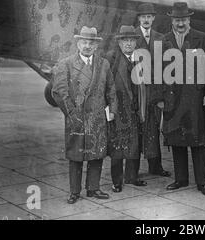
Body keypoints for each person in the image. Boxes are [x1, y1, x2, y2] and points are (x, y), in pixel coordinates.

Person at [52, 26, 117, 204]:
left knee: (97, 154)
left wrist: (112, 110)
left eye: (91, 43)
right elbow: (58, 91)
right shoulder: (65, 64)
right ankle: (74, 191)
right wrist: (71, 113)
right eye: (84, 42)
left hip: (97, 117)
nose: (87, 46)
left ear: (96, 46)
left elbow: (111, 89)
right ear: (78, 44)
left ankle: (93, 188)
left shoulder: (104, 64)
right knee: (76, 155)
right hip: (77, 118)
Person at [162, 2, 205, 196]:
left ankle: (202, 182)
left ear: (189, 19)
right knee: (177, 139)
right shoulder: (164, 40)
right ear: (172, 21)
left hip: (195, 98)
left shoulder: (202, 39)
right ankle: (181, 179)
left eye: (183, 19)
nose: (180, 23)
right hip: (173, 100)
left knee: (197, 140)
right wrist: (161, 98)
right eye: (177, 20)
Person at [106, 25, 149, 192]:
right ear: (119, 42)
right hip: (119, 109)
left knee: (135, 145)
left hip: (136, 109)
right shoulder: (111, 58)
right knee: (117, 147)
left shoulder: (140, 59)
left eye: (131, 40)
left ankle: (132, 176)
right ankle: (117, 181)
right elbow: (106, 85)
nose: (129, 44)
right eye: (125, 40)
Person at [134, 3, 171, 177]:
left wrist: (162, 93)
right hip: (137, 91)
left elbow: (165, 67)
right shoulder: (131, 37)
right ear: (139, 18)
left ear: (154, 18)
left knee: (154, 128)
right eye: (143, 17)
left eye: (149, 16)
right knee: (136, 128)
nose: (146, 20)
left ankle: (155, 166)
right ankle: (132, 170)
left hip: (155, 92)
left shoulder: (160, 38)